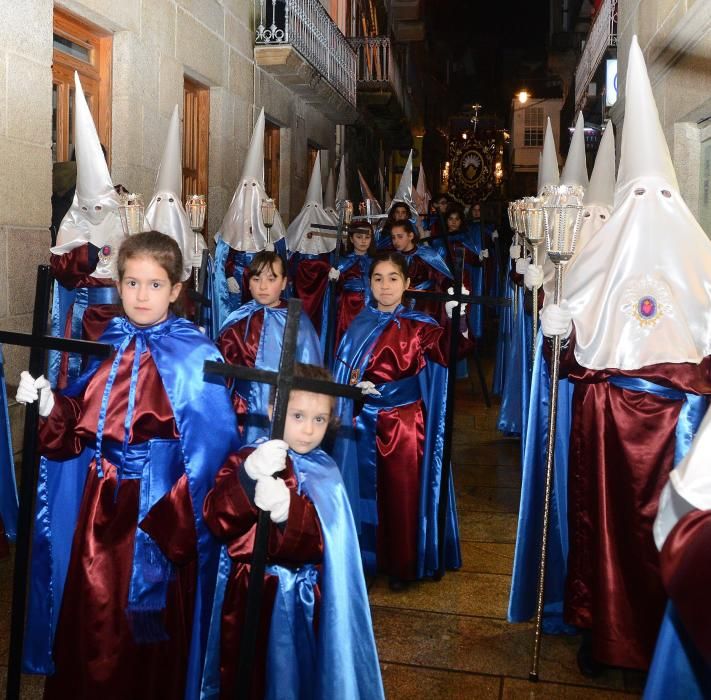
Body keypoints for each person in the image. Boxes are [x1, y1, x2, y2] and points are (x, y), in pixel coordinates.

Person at [543, 37, 711, 674]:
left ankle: (672, 649)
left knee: (671, 534)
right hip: (608, 426)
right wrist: (555, 327)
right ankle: (608, 631)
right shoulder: (596, 260)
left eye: (658, 199)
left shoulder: (700, 260)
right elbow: (566, 345)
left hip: (681, 431)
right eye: (637, 198)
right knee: (607, 534)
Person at [17, 231, 240, 699]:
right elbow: (78, 424)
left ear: (176, 290)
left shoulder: (196, 353)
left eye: (155, 285)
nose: (142, 295)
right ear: (118, 285)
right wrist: (48, 406)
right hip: (101, 506)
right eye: (133, 283)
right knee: (96, 610)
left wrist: (173, 521)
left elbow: (212, 457)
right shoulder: (110, 340)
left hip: (158, 513)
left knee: (148, 625)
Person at [201, 363, 384, 699]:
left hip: (302, 597)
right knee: (247, 672)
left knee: (293, 676)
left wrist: (289, 512)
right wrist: (247, 476)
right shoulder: (246, 457)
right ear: (274, 409)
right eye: (298, 416)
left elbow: (326, 541)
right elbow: (216, 517)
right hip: (246, 592)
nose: (308, 430)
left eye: (320, 419)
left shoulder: (325, 471)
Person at [333, 250, 461, 590]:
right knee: (364, 491)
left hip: (404, 423)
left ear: (407, 284)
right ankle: (366, 556)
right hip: (361, 421)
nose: (385, 286)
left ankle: (401, 562)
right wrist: (352, 391)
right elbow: (342, 370)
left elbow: (447, 353)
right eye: (378, 279)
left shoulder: (420, 326)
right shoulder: (358, 323)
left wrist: (455, 320)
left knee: (400, 493)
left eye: (393, 279)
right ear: (368, 283)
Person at [217, 250, 322, 443]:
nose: (263, 286)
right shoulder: (239, 318)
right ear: (248, 283)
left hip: (282, 412)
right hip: (242, 409)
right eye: (256, 279)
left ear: (283, 283)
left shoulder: (298, 321)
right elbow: (221, 365)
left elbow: (310, 371)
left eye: (271, 279)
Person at [212, 109, 288, 333]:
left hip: (262, 280)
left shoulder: (270, 218)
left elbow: (283, 262)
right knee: (238, 327)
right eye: (245, 187)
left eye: (253, 187)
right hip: (237, 281)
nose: (249, 193)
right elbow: (223, 255)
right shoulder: (232, 217)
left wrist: (274, 250)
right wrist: (227, 276)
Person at [286, 153, 337, 353]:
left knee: (319, 316)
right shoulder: (297, 226)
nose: (312, 211)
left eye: (316, 207)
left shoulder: (327, 229)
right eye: (309, 207)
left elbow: (331, 254)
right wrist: (290, 276)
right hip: (300, 280)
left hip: (321, 281)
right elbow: (291, 254)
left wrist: (333, 271)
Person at [432, 204, 488, 339]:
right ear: (445, 221)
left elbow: (474, 261)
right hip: (444, 282)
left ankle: (462, 346)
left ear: (461, 221)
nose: (453, 222)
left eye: (457, 219)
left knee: (462, 317)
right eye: (450, 219)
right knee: (444, 316)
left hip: (464, 282)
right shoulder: (439, 240)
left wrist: (480, 257)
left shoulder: (466, 238)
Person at [390, 220, 452, 322]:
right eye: (393, 237)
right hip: (401, 303)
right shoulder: (394, 258)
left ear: (411, 236)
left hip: (426, 305)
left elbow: (443, 278)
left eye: (400, 236)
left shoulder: (427, 254)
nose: (396, 241)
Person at [329, 223, 376, 351]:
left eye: (367, 237)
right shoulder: (342, 262)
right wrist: (334, 279)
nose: (363, 241)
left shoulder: (376, 263)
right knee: (349, 340)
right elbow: (333, 291)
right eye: (359, 237)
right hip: (348, 308)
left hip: (371, 306)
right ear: (351, 239)